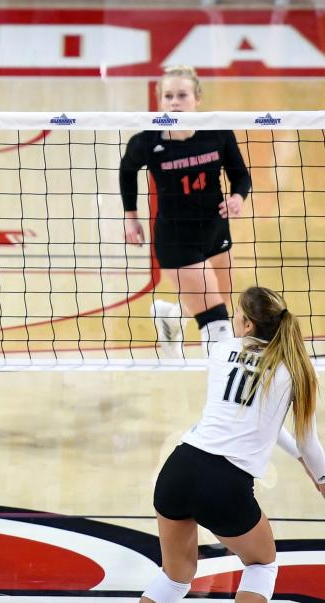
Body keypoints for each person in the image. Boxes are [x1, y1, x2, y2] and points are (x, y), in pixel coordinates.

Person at [142, 286, 325, 603]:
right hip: (224, 485)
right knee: (261, 565)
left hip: (178, 469)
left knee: (174, 579)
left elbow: (253, 417)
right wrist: (320, 477)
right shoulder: (295, 369)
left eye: (238, 312)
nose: (234, 317)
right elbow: (309, 442)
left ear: (248, 325)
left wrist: (299, 457)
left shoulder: (221, 349)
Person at [120, 65, 251, 359]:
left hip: (216, 231)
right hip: (176, 239)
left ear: (197, 98)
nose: (174, 102)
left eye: (181, 95)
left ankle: (170, 315)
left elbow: (241, 176)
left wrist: (238, 197)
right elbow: (127, 170)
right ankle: (221, 398)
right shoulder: (147, 141)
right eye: (168, 96)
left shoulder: (217, 132)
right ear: (159, 100)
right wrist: (131, 216)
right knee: (217, 325)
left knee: (221, 300)